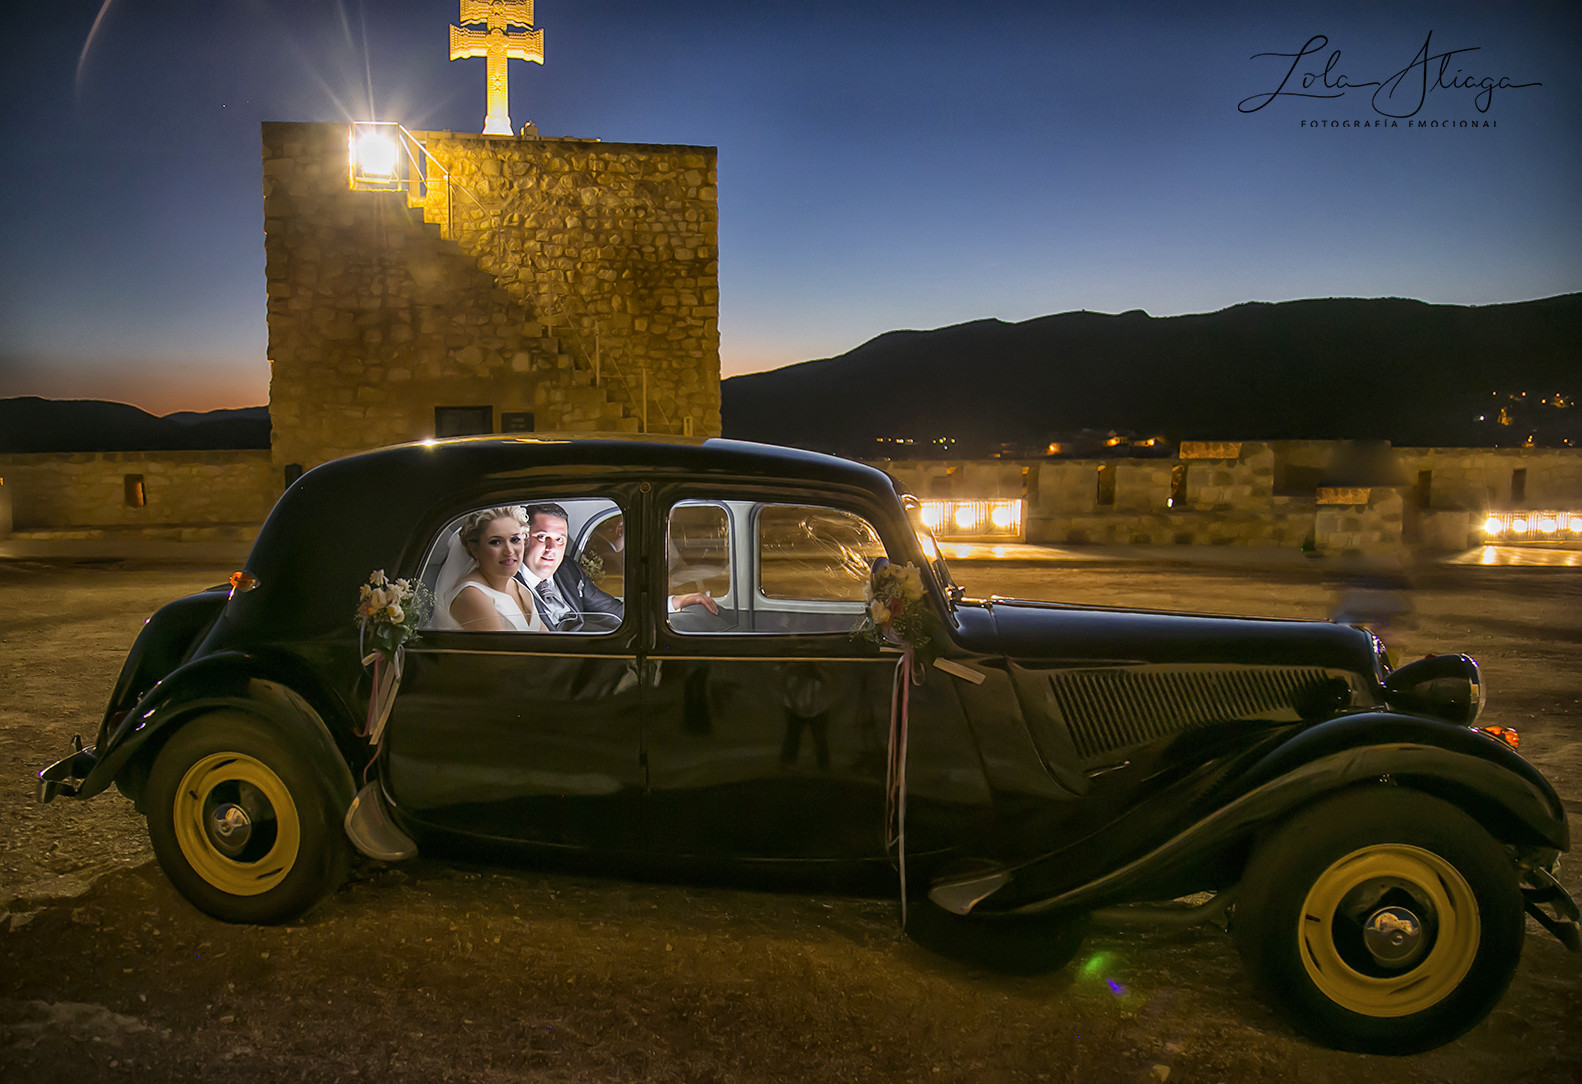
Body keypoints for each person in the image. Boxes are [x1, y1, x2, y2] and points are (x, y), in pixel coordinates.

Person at [518, 502, 718, 631]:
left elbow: (615, 611)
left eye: (560, 539)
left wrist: (678, 602)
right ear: (524, 539)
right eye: (542, 537)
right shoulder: (506, 583)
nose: (551, 548)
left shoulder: (567, 570)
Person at [433, 506, 544, 632]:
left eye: (515, 540)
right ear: (474, 549)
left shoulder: (518, 586)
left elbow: (550, 641)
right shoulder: (470, 595)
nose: (509, 551)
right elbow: (503, 650)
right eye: (496, 542)